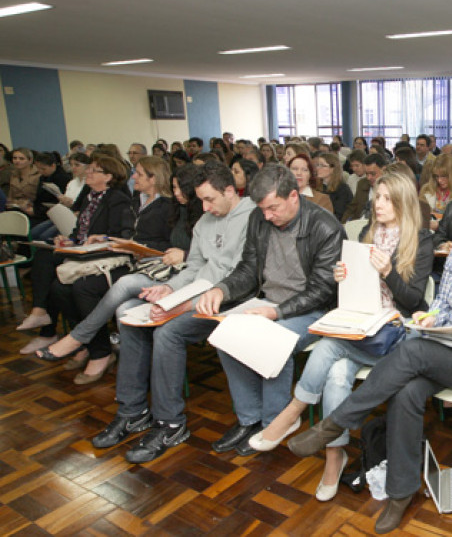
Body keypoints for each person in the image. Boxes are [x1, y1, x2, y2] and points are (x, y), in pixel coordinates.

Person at [288, 181, 452, 534]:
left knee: (413, 350)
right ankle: (401, 491)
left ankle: (335, 423)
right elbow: (446, 304)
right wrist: (433, 317)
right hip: (451, 350)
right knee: (407, 391)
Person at [249, 172, 434, 503]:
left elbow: (415, 303)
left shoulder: (421, 240)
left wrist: (388, 272)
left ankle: (294, 411)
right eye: (376, 197)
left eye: (387, 199)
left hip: (396, 333)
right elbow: (353, 294)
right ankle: (334, 457)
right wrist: (342, 278)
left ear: (403, 202)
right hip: (362, 327)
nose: (378, 204)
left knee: (330, 345)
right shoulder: (367, 233)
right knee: (335, 373)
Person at [89, 163, 257, 462]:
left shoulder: (253, 218)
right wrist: (169, 289)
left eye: (210, 200)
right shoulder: (205, 222)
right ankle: (132, 412)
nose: (204, 208)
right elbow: (193, 268)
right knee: (129, 314)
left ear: (230, 191)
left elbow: (243, 278)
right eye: (201, 200)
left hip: (233, 301)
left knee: (168, 332)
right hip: (198, 294)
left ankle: (170, 423)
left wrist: (183, 304)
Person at [196, 164, 344, 457]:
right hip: (267, 301)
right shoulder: (258, 218)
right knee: (226, 336)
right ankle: (249, 419)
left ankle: (275, 421)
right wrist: (221, 289)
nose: (266, 216)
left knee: (274, 342)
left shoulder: (324, 226)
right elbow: (248, 268)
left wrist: (276, 313)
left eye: (273, 208)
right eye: (262, 209)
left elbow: (322, 291)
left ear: (294, 196)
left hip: (312, 309)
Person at [34, 156, 174, 383]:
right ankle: (91, 346)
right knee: (60, 288)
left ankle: (97, 351)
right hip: (126, 259)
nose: (133, 177)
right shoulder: (137, 200)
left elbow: (170, 244)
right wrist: (108, 239)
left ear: (154, 178)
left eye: (139, 174)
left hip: (147, 265)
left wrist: (137, 246)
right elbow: (126, 233)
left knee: (84, 288)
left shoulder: (167, 205)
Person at [17, 154, 132, 347]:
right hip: (81, 248)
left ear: (108, 177)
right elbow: (79, 230)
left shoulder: (117, 200)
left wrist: (99, 238)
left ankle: (47, 323)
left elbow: (118, 234)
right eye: (89, 169)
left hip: (100, 253)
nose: (88, 172)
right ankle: (45, 321)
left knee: (52, 272)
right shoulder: (90, 197)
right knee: (46, 260)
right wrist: (68, 240)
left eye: (94, 170)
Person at [419, 154, 452, 230]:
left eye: (444, 176)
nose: (439, 180)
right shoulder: (426, 190)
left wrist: (439, 226)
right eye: (436, 176)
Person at [341, 152, 384, 223]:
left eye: (373, 174)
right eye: (367, 174)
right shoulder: (362, 184)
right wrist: (343, 224)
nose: (369, 178)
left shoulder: (393, 188)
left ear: (384, 170)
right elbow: (352, 208)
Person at [315, 152, 354, 220]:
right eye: (317, 165)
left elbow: (338, 215)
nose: (318, 168)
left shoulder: (343, 190)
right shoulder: (317, 186)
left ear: (332, 169)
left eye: (322, 165)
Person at [7, 147, 41, 214]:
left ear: (30, 160)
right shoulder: (13, 175)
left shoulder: (38, 174)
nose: (17, 161)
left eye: (21, 159)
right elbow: (10, 196)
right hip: (15, 208)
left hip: (32, 209)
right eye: (15, 158)